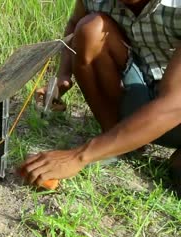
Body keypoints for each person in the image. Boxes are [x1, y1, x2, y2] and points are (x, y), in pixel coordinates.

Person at [19, 0, 181, 191]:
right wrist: (63, 76)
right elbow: (74, 24)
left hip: (173, 105)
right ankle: (118, 144)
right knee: (91, 29)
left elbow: (172, 106)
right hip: (146, 87)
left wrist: (79, 157)